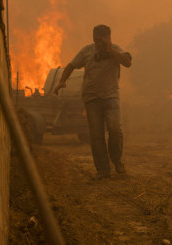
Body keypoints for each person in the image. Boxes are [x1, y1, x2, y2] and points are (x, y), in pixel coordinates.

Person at [54, 24, 132, 179]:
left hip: (111, 96)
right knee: (96, 135)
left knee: (115, 129)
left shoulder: (116, 49)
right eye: (96, 40)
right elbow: (71, 66)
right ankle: (103, 170)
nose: (99, 43)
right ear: (93, 38)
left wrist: (110, 49)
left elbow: (127, 62)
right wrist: (62, 81)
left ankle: (116, 160)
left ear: (109, 38)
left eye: (102, 40)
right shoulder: (87, 51)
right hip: (92, 99)